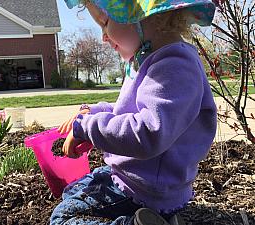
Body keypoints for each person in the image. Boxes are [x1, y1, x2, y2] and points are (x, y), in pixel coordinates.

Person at [50, 0, 217, 224]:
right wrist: (94, 112)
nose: (104, 37)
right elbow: (126, 113)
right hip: (135, 178)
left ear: (144, 16)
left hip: (146, 190)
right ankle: (158, 219)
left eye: (105, 22)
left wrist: (89, 128)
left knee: (63, 217)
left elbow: (147, 133)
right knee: (73, 191)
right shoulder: (152, 59)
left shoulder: (174, 66)